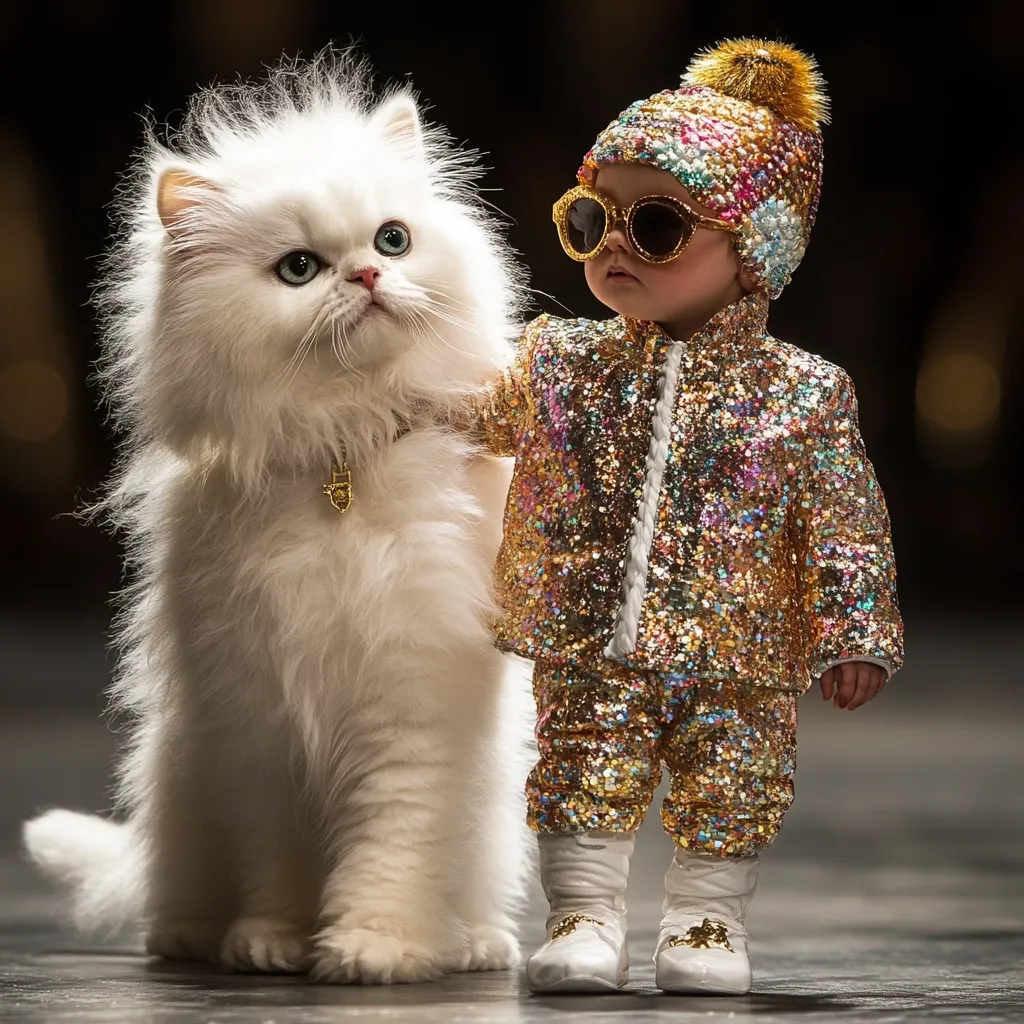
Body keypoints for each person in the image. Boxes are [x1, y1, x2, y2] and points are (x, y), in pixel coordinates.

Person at [472, 37, 904, 994]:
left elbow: (846, 521)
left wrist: (853, 626)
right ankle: (582, 914)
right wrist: (372, 409)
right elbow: (469, 415)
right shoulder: (561, 365)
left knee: (736, 782)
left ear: (757, 249)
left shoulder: (803, 393)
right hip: (590, 637)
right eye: (594, 219)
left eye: (658, 227)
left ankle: (707, 923)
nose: (615, 244)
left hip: (743, 649)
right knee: (581, 763)